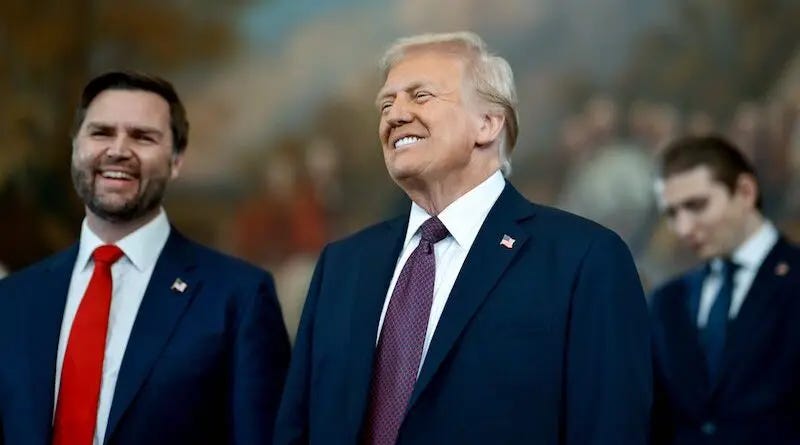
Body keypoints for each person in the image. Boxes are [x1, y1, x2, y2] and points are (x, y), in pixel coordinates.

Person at [274, 31, 651, 445]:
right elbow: (298, 427)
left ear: (487, 124)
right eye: (386, 103)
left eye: (420, 96)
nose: (394, 115)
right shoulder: (342, 265)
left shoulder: (583, 260)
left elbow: (612, 428)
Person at [0, 71, 290, 445]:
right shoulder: (12, 299)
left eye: (142, 136)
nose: (118, 149)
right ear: (75, 147)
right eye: (101, 132)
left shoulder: (240, 298)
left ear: (176, 160)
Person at [650, 135, 800, 444]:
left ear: (745, 191)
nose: (684, 228)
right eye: (673, 214)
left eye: (696, 205)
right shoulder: (668, 301)